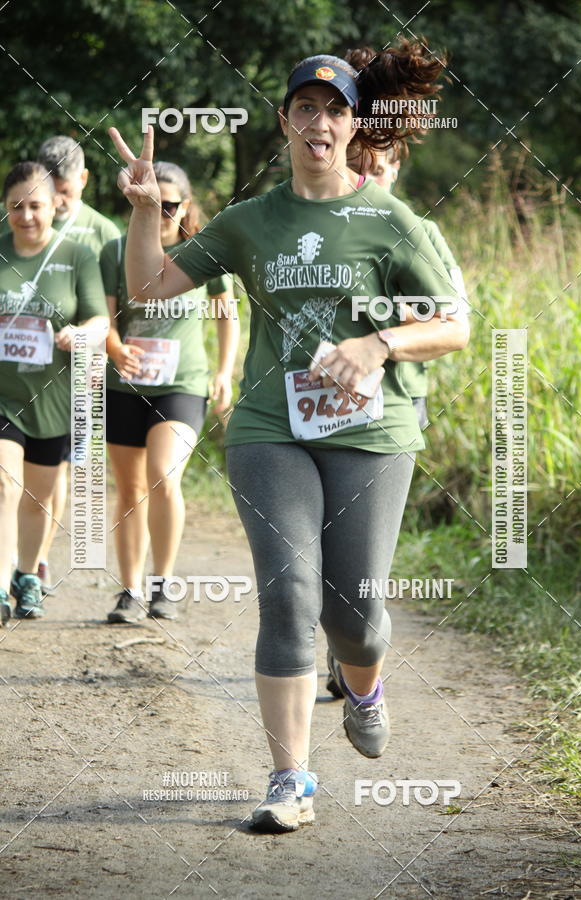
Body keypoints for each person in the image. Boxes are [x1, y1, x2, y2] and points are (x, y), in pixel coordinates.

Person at [107, 41, 469, 833]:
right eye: (307, 107)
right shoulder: (251, 219)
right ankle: (290, 779)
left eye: (336, 110)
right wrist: (145, 214)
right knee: (289, 594)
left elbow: (454, 325)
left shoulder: (390, 220)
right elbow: (146, 289)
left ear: (353, 126)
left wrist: (378, 345)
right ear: (285, 120)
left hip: (373, 434)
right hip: (273, 428)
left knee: (358, 615)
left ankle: (365, 686)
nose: (321, 122)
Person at [103, 161, 238, 623]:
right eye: (153, 204)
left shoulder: (201, 252)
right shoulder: (115, 250)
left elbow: (226, 314)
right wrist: (115, 347)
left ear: (186, 208)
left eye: (170, 206)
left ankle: (163, 585)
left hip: (181, 385)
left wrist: (223, 371)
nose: (161, 213)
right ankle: (129, 590)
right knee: (129, 489)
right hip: (124, 385)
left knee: (163, 475)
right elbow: (104, 315)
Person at [0, 161, 108, 622]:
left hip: (54, 397)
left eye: (36, 206)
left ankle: (27, 575)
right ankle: (2, 582)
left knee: (39, 497)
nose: (26, 216)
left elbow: (101, 320)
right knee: (5, 484)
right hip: (3, 394)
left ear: (56, 204)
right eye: (15, 207)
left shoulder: (78, 254)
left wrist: (81, 333)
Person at [27, 137, 121, 593]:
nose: (60, 201)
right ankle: (33, 558)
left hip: (84, 373)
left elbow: (122, 303)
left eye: (67, 189)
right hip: (27, 372)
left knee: (66, 467)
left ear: (84, 180)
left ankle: (43, 557)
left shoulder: (103, 231)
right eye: (52, 190)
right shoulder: (25, 224)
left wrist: (93, 334)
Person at [346, 141, 469, 432]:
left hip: (401, 392)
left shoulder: (424, 232)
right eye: (356, 170)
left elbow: (458, 315)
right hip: (332, 388)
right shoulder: (325, 231)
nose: (368, 182)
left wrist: (379, 310)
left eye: (377, 171)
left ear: (394, 171)